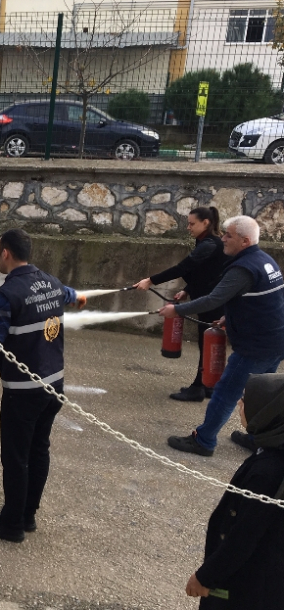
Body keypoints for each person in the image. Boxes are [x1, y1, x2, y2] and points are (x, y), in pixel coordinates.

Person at [0, 228, 86, 543]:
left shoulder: (7, 295)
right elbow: (68, 294)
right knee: (39, 450)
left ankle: (11, 523)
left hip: (24, 392)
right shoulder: (51, 282)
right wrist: (77, 296)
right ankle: (27, 516)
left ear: (6, 253)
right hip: (54, 387)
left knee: (16, 456)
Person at [160, 216, 284, 456]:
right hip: (275, 342)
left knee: (226, 393)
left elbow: (213, 299)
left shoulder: (243, 268)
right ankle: (258, 438)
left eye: (229, 235)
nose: (223, 239)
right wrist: (229, 318)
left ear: (245, 241)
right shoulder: (265, 261)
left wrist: (175, 310)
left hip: (254, 347)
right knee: (261, 393)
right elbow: (266, 299)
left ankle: (203, 441)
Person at [185, 373, 284, 609]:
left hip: (247, 587)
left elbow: (245, 534)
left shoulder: (268, 472)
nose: (240, 404)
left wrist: (206, 576)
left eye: (246, 400)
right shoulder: (270, 449)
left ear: (267, 413)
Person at [134, 207, 227, 402]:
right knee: (208, 343)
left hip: (213, 302)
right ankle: (209, 385)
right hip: (207, 299)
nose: (188, 227)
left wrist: (150, 280)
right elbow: (203, 272)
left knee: (207, 341)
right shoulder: (205, 242)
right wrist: (187, 289)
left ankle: (198, 388)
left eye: (192, 224)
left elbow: (183, 267)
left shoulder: (210, 244)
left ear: (206, 223)